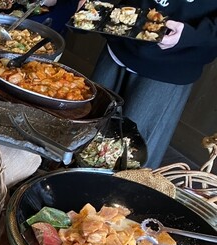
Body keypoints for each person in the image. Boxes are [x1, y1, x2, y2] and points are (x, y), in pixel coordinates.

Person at [90, 1, 217, 169]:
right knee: (84, 131)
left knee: (130, 162)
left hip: (173, 61)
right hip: (120, 37)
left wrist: (194, 34)